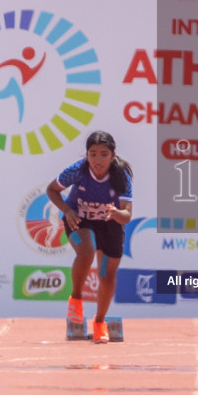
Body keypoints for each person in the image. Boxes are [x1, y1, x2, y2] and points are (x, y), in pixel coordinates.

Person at [48, 131, 133, 343]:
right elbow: (52, 190)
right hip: (79, 221)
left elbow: (127, 215)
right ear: (87, 155)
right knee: (85, 252)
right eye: (93, 154)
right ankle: (76, 298)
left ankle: (99, 322)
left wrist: (115, 214)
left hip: (110, 225)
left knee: (106, 274)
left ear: (112, 155)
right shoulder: (78, 170)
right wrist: (67, 211)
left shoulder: (121, 175)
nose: (98, 160)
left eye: (104, 154)